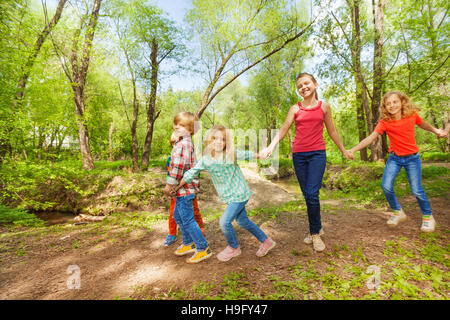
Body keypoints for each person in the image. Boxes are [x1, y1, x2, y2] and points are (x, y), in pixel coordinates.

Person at [259, 72, 352, 252]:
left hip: (317, 154)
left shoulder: (324, 107)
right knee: (307, 194)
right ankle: (316, 226)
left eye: (307, 83)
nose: (304, 87)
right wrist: (271, 146)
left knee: (312, 193)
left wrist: (343, 150)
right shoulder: (295, 108)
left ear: (315, 84)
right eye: (300, 86)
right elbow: (284, 128)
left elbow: (332, 131)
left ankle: (315, 233)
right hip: (299, 156)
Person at [348, 91, 448, 233]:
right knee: (386, 186)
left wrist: (436, 131)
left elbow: (423, 124)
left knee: (416, 190)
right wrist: (353, 149)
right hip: (395, 158)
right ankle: (398, 212)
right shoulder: (384, 122)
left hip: (412, 158)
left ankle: (428, 217)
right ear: (384, 107)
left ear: (402, 102)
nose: (392, 105)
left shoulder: (411, 116)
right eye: (388, 104)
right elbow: (371, 138)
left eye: (395, 102)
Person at [176, 125, 276, 262]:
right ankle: (266, 241)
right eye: (214, 139)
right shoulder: (206, 159)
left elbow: (246, 154)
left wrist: (260, 154)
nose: (218, 142)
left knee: (224, 222)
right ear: (209, 141)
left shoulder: (230, 155)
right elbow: (191, 173)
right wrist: (176, 186)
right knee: (243, 221)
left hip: (239, 194)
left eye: (222, 139)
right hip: (230, 196)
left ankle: (234, 248)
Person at [163, 111, 212, 263]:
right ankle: (188, 243)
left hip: (184, 190)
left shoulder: (183, 145)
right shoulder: (182, 142)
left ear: (191, 130)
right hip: (181, 190)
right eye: (176, 124)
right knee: (178, 216)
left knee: (188, 219)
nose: (177, 127)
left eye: (182, 125)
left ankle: (203, 248)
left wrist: (169, 185)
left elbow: (178, 166)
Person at [164, 132, 205, 247]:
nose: (174, 145)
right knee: (175, 214)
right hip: (175, 190)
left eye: (176, 142)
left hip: (187, 190)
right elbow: (170, 174)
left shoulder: (188, 153)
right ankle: (173, 234)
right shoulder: (171, 158)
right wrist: (170, 188)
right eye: (172, 144)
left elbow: (193, 173)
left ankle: (200, 235)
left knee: (194, 212)